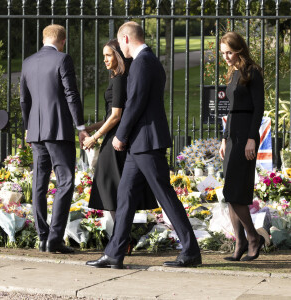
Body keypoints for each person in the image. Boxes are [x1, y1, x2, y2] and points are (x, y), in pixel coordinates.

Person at [86, 21, 201, 269]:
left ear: (126, 39)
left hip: (146, 142)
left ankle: (191, 251)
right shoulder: (148, 61)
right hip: (141, 143)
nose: (120, 50)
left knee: (166, 196)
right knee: (125, 197)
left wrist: (120, 135)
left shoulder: (142, 62)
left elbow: (135, 102)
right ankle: (114, 253)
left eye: (120, 43)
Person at [20, 24, 89, 253]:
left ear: (43, 39)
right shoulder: (62, 59)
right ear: (63, 40)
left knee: (39, 184)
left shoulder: (28, 62)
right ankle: (55, 239)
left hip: (36, 131)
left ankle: (42, 237)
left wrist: (28, 126)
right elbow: (71, 93)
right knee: (65, 180)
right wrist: (80, 126)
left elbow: (24, 100)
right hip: (58, 130)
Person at [83, 39, 157, 218]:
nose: (105, 60)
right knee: (116, 186)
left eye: (108, 55)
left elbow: (116, 116)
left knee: (109, 186)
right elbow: (112, 115)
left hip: (116, 137)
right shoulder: (121, 77)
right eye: (104, 56)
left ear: (118, 56)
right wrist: (90, 128)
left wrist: (94, 137)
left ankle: (121, 235)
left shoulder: (120, 79)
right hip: (117, 134)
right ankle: (122, 235)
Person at [219, 31, 265, 261]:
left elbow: (259, 109)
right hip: (232, 135)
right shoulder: (233, 73)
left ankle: (253, 237)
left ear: (239, 49)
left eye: (229, 52)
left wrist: (251, 139)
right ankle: (240, 243)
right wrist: (224, 137)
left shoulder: (252, 72)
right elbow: (230, 109)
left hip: (246, 134)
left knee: (235, 191)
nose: (226, 57)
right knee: (230, 193)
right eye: (223, 53)